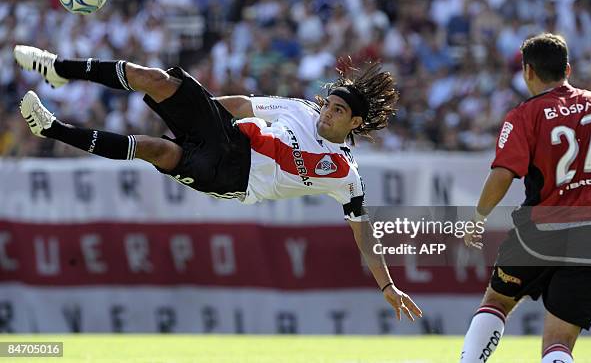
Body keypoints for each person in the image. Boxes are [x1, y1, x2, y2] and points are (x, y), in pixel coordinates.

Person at [14, 45, 423, 322]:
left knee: (158, 151)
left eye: (337, 111)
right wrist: (192, 111)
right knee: (155, 79)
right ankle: (58, 68)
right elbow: (244, 106)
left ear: (354, 123)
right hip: (230, 135)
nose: (326, 113)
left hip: (233, 178)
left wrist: (387, 284)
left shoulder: (346, 176)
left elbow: (363, 230)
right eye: (328, 104)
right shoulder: (299, 109)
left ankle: (51, 129)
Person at [459, 33, 591, 363]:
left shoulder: (526, 114)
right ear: (567, 68)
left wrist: (478, 218)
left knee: (497, 301)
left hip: (538, 231)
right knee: (558, 342)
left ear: (527, 71)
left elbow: (502, 174)